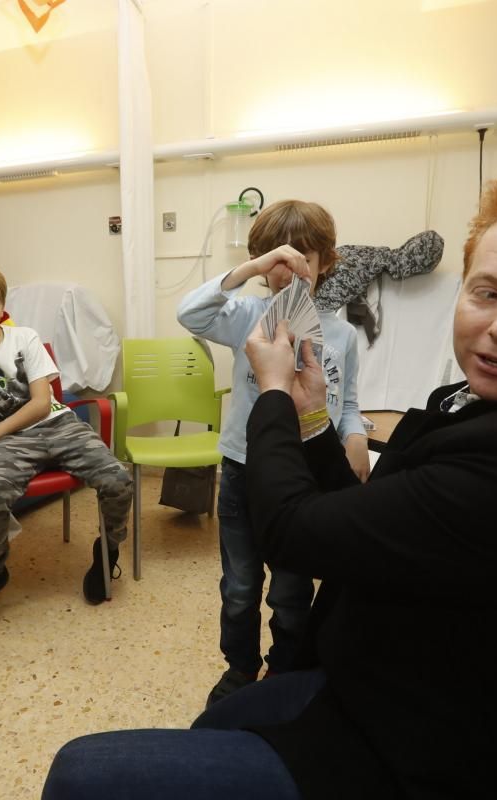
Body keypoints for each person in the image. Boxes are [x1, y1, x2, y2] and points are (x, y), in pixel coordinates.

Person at [42, 157, 497, 800]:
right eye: (487, 291)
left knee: (82, 774)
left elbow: (295, 530)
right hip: (369, 682)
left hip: (421, 753)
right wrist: (309, 411)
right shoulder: (471, 405)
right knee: (225, 681)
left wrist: (278, 398)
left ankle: (276, 670)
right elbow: (368, 519)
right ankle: (245, 669)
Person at [177, 200, 368, 708]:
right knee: (239, 585)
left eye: (300, 255)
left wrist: (354, 437)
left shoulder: (343, 333)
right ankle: (239, 666)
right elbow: (189, 313)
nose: (287, 269)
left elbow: (345, 402)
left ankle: (285, 667)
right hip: (242, 467)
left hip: (303, 473)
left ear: (325, 260)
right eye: (275, 258)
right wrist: (252, 268)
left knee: (290, 589)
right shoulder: (245, 316)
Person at [0, 264, 133, 636]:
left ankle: (107, 552)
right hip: (9, 443)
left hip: (56, 426)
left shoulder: (24, 338)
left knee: (118, 480)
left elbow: (42, 403)